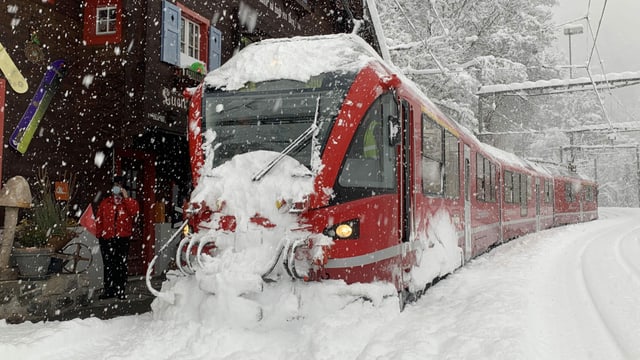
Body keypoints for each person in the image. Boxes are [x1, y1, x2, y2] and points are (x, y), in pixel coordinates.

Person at [95, 176, 140, 300]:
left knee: (121, 265)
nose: (117, 188)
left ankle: (120, 290)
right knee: (108, 265)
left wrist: (126, 197)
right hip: (107, 238)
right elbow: (99, 220)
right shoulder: (105, 203)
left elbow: (134, 212)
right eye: (115, 185)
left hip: (122, 238)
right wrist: (99, 235)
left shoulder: (128, 202)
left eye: (119, 185)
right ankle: (109, 290)